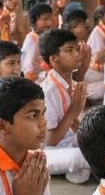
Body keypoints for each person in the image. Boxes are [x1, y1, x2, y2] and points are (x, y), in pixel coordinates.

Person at [38, 29, 90, 184]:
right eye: (69, 50)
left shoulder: (72, 84)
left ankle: (75, 169)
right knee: (81, 157)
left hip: (70, 143)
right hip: (48, 151)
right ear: (54, 59)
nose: (77, 54)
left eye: (77, 49)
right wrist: (74, 110)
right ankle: (75, 167)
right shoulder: (48, 90)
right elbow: (50, 141)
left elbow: (75, 128)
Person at [21, 3, 55, 81]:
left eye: (50, 19)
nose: (49, 23)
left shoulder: (44, 37)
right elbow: (28, 68)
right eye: (45, 19)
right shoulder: (32, 39)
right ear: (34, 21)